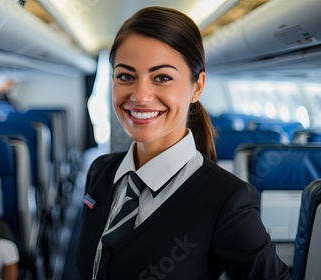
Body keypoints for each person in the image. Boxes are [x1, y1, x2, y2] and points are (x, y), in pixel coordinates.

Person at [76, 6, 290, 280]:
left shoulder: (225, 199)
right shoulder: (100, 171)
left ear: (197, 87)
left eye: (162, 77)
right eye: (126, 76)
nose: (140, 96)